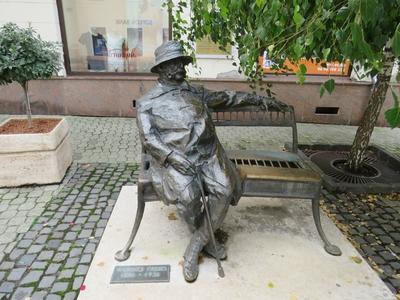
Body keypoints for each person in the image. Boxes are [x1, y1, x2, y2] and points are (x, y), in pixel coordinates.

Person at [136, 40, 290, 282]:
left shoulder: (196, 92)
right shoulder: (147, 103)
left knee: (225, 189)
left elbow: (228, 98)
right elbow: (148, 138)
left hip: (208, 154)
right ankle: (207, 238)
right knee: (189, 198)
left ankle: (197, 244)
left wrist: (261, 100)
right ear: (162, 69)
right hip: (176, 159)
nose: (180, 67)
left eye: (181, 62)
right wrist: (172, 157)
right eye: (174, 63)